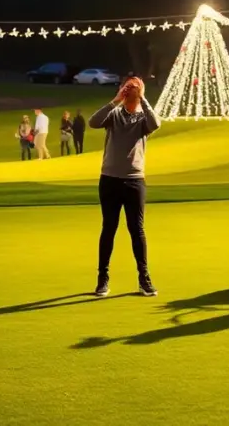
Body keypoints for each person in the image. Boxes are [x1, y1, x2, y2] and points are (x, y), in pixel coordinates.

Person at [89, 76, 161, 298]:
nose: (130, 90)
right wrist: (116, 100)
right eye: (127, 86)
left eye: (134, 87)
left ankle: (144, 278)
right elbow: (94, 121)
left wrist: (143, 98)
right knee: (109, 228)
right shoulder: (114, 114)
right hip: (109, 178)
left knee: (137, 230)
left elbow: (155, 123)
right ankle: (103, 278)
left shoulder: (143, 118)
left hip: (134, 180)